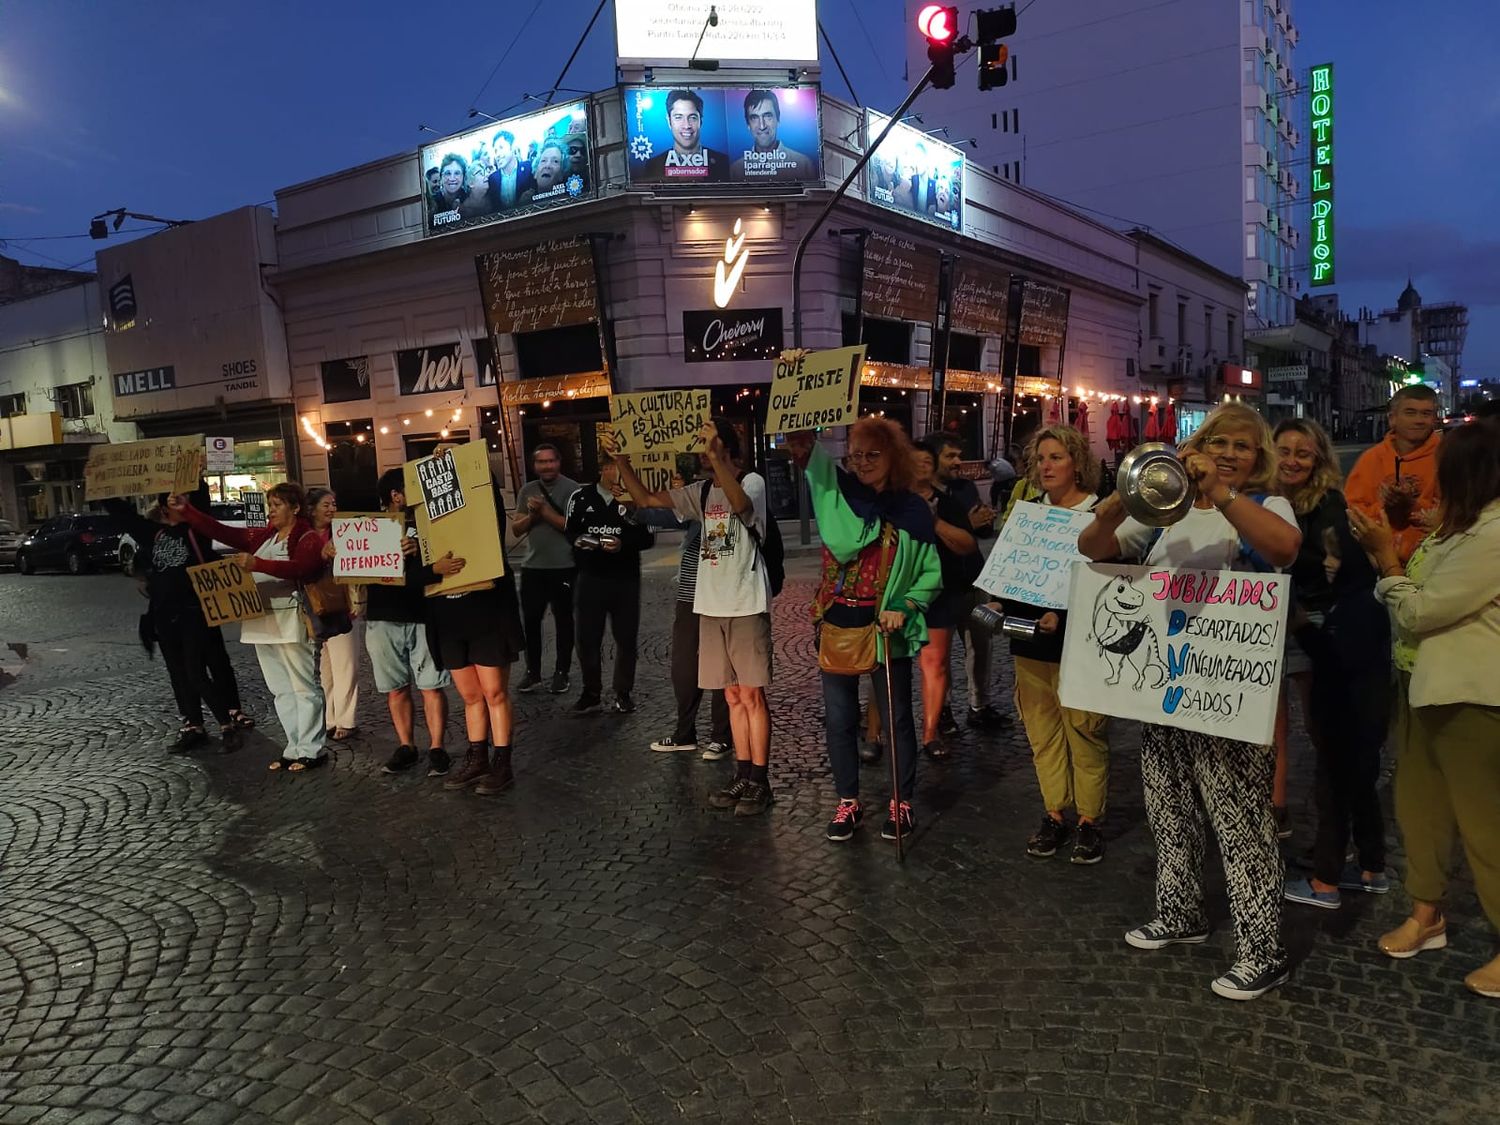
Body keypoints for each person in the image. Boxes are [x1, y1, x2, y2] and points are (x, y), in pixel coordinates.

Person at [1078, 402, 1302, 1001]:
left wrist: (1225, 493)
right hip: (1168, 688)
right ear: (1196, 445)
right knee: (1168, 804)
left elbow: (1283, 549)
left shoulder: (1263, 505)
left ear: (1259, 460)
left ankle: (1263, 949)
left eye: (1243, 447)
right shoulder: (1165, 510)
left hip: (1230, 691)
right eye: (1219, 442)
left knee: (1239, 819)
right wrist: (1124, 499)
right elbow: (1092, 546)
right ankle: (1180, 912)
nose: (1229, 453)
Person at [1350, 422, 1500, 999]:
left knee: (1486, 825)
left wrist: (1386, 560)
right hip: (1420, 685)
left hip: (1473, 697)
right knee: (1421, 810)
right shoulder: (1461, 526)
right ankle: (1427, 913)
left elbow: (1418, 612)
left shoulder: (1491, 534)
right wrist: (1408, 525)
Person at [786, 420, 941, 841]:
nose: (862, 462)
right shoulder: (838, 498)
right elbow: (805, 451)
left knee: (896, 720)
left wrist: (904, 606)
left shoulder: (910, 510)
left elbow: (929, 573)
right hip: (839, 624)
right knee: (838, 721)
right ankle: (848, 803)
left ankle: (901, 802)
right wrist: (798, 402)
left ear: (894, 456)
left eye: (873, 454)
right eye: (855, 454)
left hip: (885, 629)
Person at [615, 421, 775, 817]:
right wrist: (621, 462)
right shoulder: (701, 491)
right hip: (710, 604)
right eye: (702, 448)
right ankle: (742, 772)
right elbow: (647, 500)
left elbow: (740, 506)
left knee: (752, 695)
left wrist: (718, 456)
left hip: (745, 603)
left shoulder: (751, 481)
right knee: (733, 695)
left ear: (727, 448)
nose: (703, 452)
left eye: (710, 444)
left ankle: (760, 779)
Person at [1270, 420, 1391, 910]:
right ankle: (1365, 860)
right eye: (1284, 451)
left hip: (1315, 628)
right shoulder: (1266, 500)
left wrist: (1309, 617)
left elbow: (1344, 577)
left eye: (1305, 453)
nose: (1293, 461)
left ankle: (1335, 865)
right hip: (1281, 623)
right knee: (1306, 741)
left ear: (1320, 460)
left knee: (1331, 748)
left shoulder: (1331, 509)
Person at [994, 426, 1110, 864]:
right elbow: (1011, 570)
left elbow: (1113, 583)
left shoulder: (1098, 514)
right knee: (1042, 736)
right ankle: (1055, 814)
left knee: (1084, 733)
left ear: (1077, 462)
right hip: (1029, 644)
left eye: (1056, 457)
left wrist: (1062, 616)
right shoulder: (1028, 513)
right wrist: (996, 599)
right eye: (1040, 458)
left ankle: (1089, 821)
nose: (1045, 466)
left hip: (1081, 647)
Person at [171, 483, 330, 772]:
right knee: (281, 688)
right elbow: (224, 532)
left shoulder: (307, 537)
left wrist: (259, 564)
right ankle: (294, 745)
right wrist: (188, 510)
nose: (272, 511)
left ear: (295, 508)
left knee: (303, 685)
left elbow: (302, 568)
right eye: (270, 505)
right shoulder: (266, 535)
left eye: (278, 505)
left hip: (291, 618)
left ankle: (313, 748)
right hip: (262, 620)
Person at [103, 485, 250, 753]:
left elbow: (202, 511)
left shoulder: (196, 533)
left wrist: (199, 480)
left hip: (194, 613)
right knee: (179, 675)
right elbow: (124, 515)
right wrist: (102, 488)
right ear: (164, 509)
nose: (184, 506)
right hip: (164, 617)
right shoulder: (154, 534)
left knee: (196, 673)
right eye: (177, 503)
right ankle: (193, 726)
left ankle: (226, 726)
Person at [427, 472, 526, 797]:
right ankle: (478, 757)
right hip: (451, 621)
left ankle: (502, 762)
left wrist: (461, 461)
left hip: (487, 617)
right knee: (470, 696)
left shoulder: (485, 524)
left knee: (494, 692)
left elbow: (489, 496)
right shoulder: (429, 534)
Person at [365, 468, 451, 777]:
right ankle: (407, 746)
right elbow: (354, 564)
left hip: (423, 615)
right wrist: (332, 552)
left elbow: (447, 560)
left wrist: (420, 556)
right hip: (383, 616)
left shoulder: (431, 524)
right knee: (395, 688)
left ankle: (437, 747)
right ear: (396, 495)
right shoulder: (369, 528)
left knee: (432, 686)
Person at [923, 431, 1007, 730]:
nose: (958, 462)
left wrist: (986, 522)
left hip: (974, 582)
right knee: (940, 655)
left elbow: (979, 531)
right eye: (950, 456)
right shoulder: (921, 494)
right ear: (932, 459)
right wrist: (964, 526)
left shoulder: (965, 488)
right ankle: (942, 711)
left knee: (982, 646)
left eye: (959, 455)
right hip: (942, 590)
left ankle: (979, 705)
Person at [642, 511, 733, 761]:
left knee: (720, 669)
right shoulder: (698, 501)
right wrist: (634, 507)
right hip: (689, 597)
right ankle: (685, 733)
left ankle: (722, 737)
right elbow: (669, 515)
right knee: (683, 667)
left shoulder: (726, 504)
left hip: (717, 597)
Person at [565, 456, 653, 715]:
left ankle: (623, 692)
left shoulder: (634, 498)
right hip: (591, 578)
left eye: (621, 467)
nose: (616, 473)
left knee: (626, 638)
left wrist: (622, 544)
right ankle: (591, 692)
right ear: (603, 469)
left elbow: (647, 538)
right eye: (612, 467)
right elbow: (570, 531)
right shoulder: (581, 497)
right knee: (587, 639)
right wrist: (583, 541)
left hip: (626, 579)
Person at [910, 439, 981, 759]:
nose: (922, 466)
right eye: (916, 460)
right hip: (898, 595)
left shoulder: (947, 503)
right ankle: (877, 733)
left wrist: (934, 521)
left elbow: (967, 544)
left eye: (927, 460)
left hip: (940, 594)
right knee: (885, 665)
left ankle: (930, 732)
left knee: (934, 663)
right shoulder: (892, 501)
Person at [510, 444, 580, 695]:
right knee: (530, 622)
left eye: (551, 461)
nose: (547, 466)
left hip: (564, 566)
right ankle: (533, 672)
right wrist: (531, 515)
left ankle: (562, 672)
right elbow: (517, 529)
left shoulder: (572, 490)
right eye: (542, 462)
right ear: (535, 466)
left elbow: (571, 526)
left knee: (564, 621)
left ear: (559, 462)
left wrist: (544, 511)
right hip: (533, 568)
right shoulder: (527, 490)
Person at [1345, 384, 1442, 565]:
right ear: (1392, 419)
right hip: (1375, 562)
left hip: (1433, 562)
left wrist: (1412, 506)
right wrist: (1384, 508)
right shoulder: (1371, 459)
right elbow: (1353, 512)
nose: (1419, 420)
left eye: (1426, 414)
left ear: (1434, 419)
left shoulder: (1448, 457)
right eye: (1410, 413)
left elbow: (1456, 514)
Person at [307, 488, 364, 742]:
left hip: (344, 606)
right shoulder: (305, 538)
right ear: (311, 509)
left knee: (345, 665)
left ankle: (347, 719)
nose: (331, 509)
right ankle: (329, 718)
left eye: (334, 504)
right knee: (325, 668)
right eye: (326, 505)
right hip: (315, 608)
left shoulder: (344, 533)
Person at [640, 90, 728, 181]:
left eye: (692, 118)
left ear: (700, 121)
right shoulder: (654, 165)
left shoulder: (723, 162)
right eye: (678, 117)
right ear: (669, 121)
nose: (686, 126)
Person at [730, 90, 818, 180]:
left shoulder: (803, 165)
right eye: (754, 118)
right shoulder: (736, 170)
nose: (762, 126)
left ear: (778, 119)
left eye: (768, 116)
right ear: (748, 124)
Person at [481, 129, 535, 212]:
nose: (497, 155)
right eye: (495, 151)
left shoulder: (529, 167)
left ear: (512, 148)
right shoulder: (492, 179)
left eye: (501, 148)